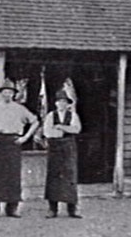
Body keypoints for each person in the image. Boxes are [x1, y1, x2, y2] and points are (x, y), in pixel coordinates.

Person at [0, 79, 40, 218]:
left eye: (10, 92)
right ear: (1, 94)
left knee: (13, 175)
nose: (7, 94)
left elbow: (35, 121)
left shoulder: (20, 108)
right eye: (4, 92)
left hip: (14, 142)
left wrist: (25, 138)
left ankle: (12, 208)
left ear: (13, 94)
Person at [43, 90, 83, 219]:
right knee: (53, 176)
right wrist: (62, 131)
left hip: (68, 147)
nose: (62, 104)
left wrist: (60, 127)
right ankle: (52, 209)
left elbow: (76, 129)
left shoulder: (73, 116)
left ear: (68, 104)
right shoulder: (50, 115)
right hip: (54, 148)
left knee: (70, 176)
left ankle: (72, 209)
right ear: (56, 103)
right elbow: (47, 132)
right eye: (60, 101)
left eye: (64, 102)